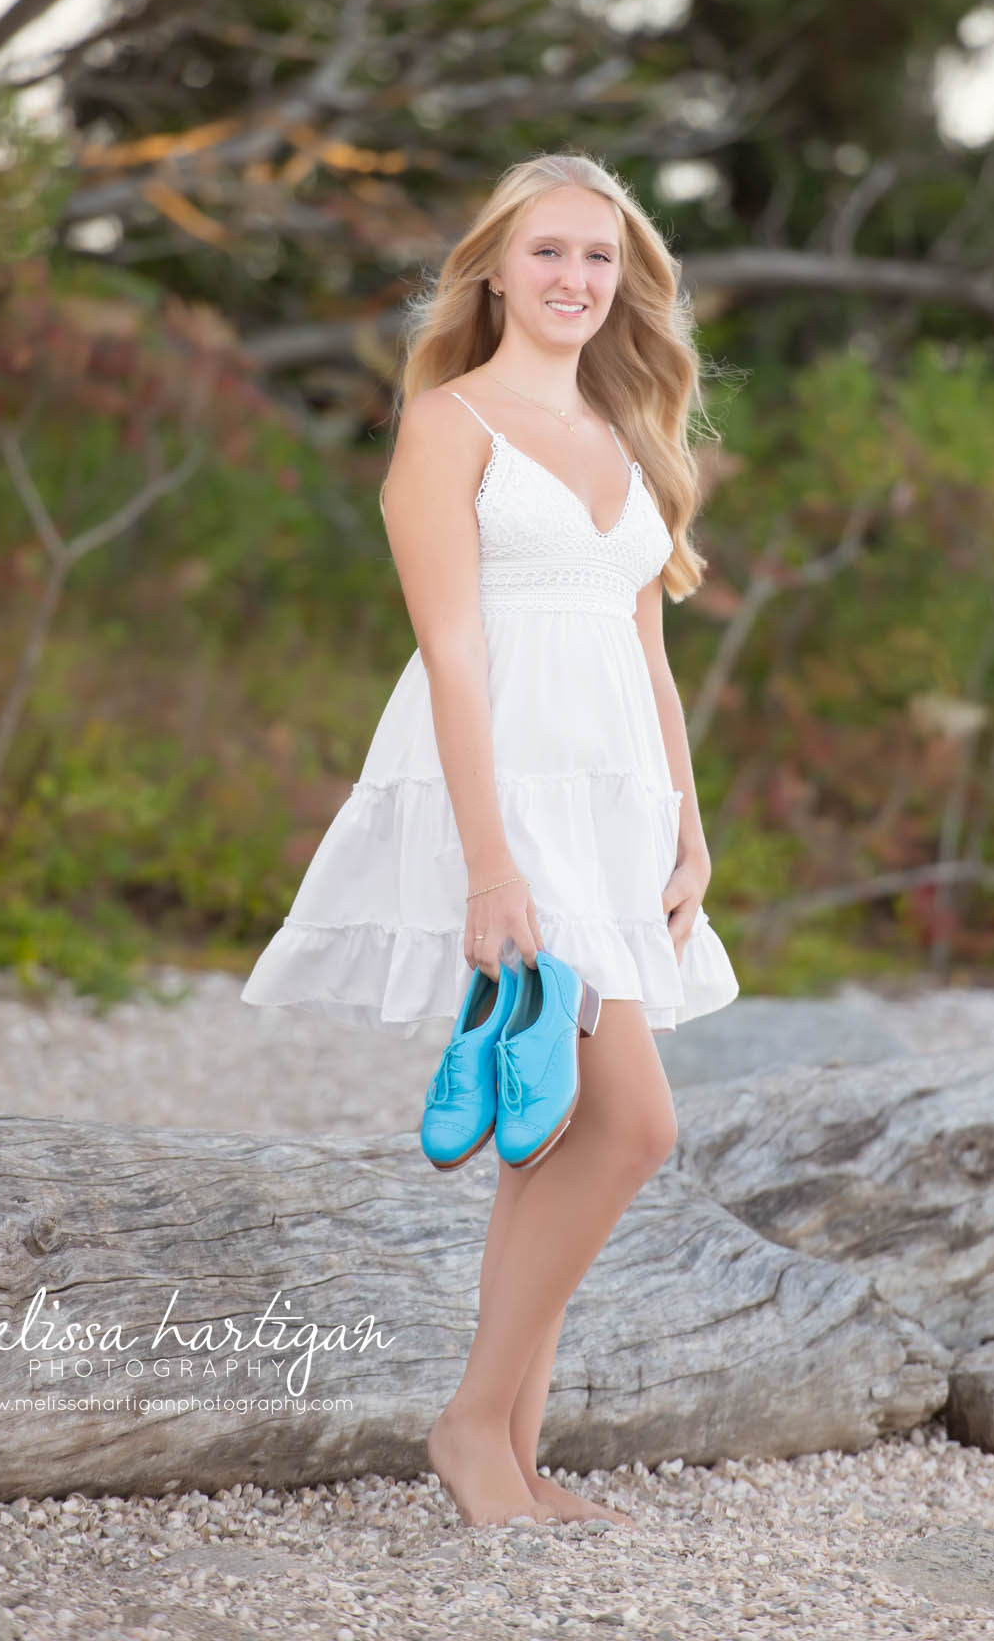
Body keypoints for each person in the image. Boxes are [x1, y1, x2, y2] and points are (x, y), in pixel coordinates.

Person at [241, 151, 739, 1528]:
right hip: (504, 796)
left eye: (600, 258)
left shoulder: (634, 426)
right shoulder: (449, 424)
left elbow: (648, 645)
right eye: (550, 254)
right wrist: (493, 863)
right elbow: (454, 656)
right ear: (496, 270)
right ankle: (470, 1430)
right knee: (635, 1124)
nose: (577, 280)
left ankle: (515, 1457)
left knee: (555, 1128)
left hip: (616, 802)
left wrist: (691, 833)